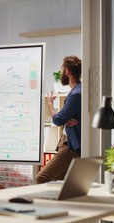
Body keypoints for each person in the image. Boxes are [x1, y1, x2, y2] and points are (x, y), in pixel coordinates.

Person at [36, 55, 82, 184]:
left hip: (71, 147)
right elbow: (64, 118)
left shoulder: (76, 94)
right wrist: (65, 119)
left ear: (67, 71)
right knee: (59, 183)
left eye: (62, 70)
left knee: (41, 178)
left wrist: (50, 105)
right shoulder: (78, 91)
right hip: (68, 143)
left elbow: (58, 120)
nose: (61, 73)